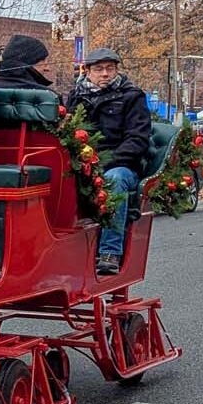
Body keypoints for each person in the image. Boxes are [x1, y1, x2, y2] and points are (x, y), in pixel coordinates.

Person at [67, 47, 152, 276]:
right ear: (87, 71)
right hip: (83, 162)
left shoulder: (132, 96)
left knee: (113, 180)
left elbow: (137, 139)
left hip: (121, 165)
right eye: (99, 69)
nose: (105, 74)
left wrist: (105, 164)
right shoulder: (76, 97)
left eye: (110, 69)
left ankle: (110, 252)